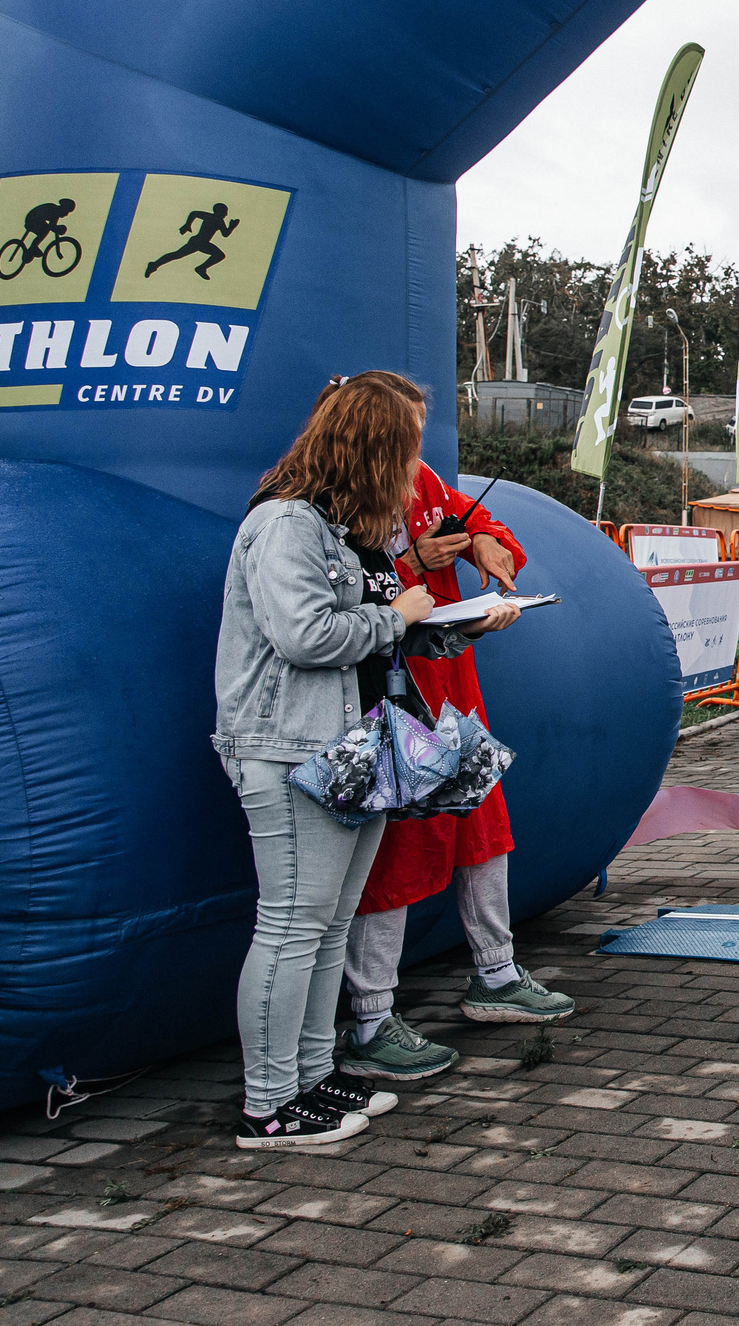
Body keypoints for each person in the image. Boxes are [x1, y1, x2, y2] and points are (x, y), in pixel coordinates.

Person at [212, 374, 518, 1149]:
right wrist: (398, 611)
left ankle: (313, 1076)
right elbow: (307, 635)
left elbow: (385, 636)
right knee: (290, 925)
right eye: (405, 449)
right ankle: (269, 1100)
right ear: (371, 447)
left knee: (325, 924)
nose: (415, 469)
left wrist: (453, 627)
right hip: (288, 749)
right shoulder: (284, 524)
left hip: (348, 747)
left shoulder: (344, 527)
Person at [335, 377, 574, 1086]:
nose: (415, 446)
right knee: (398, 844)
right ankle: (372, 1016)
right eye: (403, 431)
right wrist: (414, 566)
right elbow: (348, 596)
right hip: (393, 688)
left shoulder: (425, 477)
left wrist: (485, 549)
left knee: (483, 822)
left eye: (419, 430)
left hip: (448, 677)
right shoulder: (339, 497)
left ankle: (495, 972)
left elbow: (482, 525)